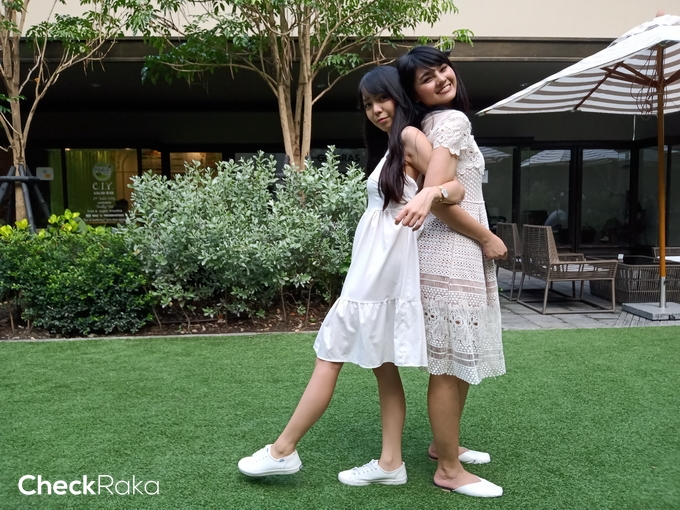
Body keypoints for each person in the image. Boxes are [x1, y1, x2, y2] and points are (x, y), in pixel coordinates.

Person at [237, 66, 465, 486]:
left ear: (400, 96)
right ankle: (391, 464)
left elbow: (455, 187)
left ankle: (283, 450)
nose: (376, 109)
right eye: (368, 104)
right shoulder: (392, 145)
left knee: (330, 353)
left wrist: (434, 193)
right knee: (382, 366)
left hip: (381, 270)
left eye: (383, 98)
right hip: (373, 266)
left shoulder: (410, 137)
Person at [395, 46, 507, 498]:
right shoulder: (452, 122)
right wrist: (486, 237)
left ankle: (445, 445)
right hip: (451, 250)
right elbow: (438, 197)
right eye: (427, 77)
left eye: (443, 69)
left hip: (446, 251)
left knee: (456, 359)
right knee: (449, 365)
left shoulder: (430, 125)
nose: (442, 78)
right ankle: (447, 468)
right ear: (415, 93)